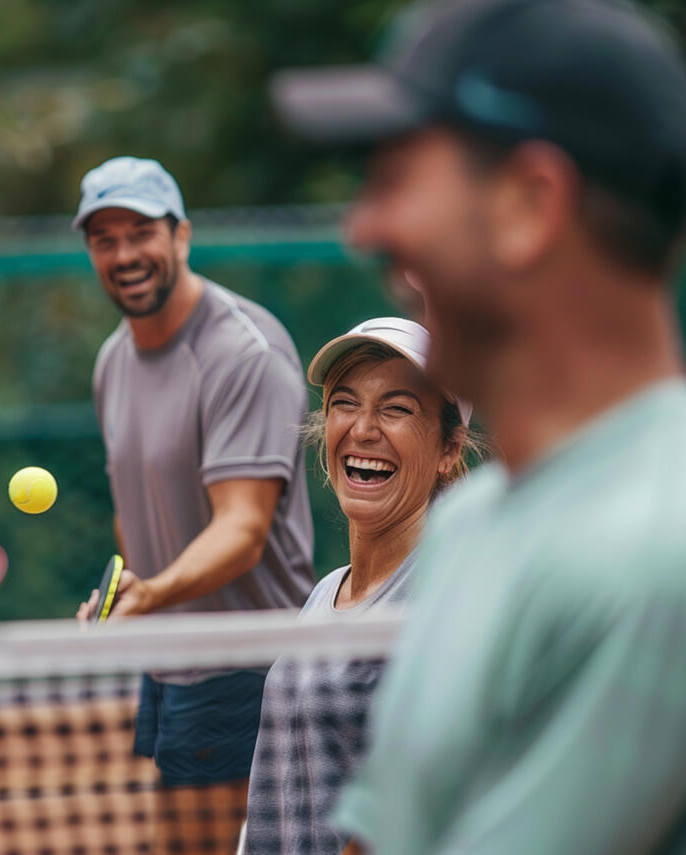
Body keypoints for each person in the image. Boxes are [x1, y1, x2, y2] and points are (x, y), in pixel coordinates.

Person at [272, 0, 686, 852]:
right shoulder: (470, 522)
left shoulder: (650, 559)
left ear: (528, 206)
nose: (366, 226)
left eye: (396, 179)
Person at [72, 156, 317, 854]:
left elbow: (241, 529)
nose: (124, 254)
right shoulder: (112, 361)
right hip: (169, 656)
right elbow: (137, 514)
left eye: (140, 231)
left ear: (181, 235)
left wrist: (151, 596)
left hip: (245, 665)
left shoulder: (245, 351)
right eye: (104, 238)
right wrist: (124, 595)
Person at [244, 318, 472, 855]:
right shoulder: (325, 593)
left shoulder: (443, 598)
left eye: (397, 408)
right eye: (345, 402)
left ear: (449, 449)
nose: (364, 428)